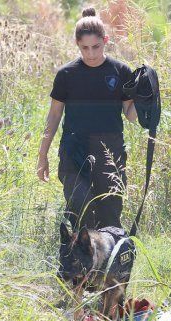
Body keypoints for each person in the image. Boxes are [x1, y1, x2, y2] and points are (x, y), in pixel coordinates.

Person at [37, 7, 137, 230]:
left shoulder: (121, 71)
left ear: (106, 40)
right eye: (85, 48)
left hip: (110, 149)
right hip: (74, 148)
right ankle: (77, 262)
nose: (91, 53)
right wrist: (42, 155)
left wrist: (145, 99)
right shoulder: (66, 74)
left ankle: (111, 263)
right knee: (79, 208)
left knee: (109, 214)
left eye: (96, 47)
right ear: (76, 44)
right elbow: (54, 116)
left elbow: (131, 115)